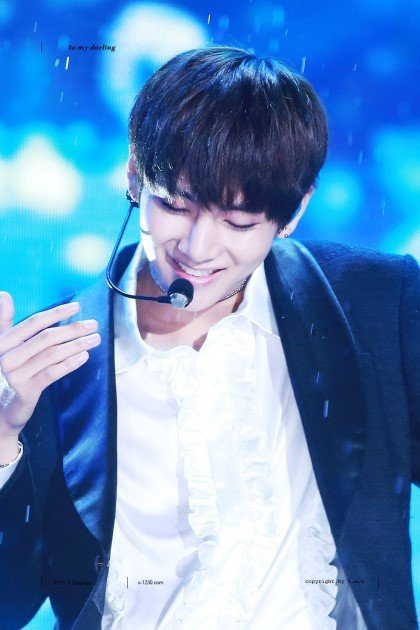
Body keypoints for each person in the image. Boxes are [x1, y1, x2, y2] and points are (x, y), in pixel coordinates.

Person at [0, 46, 418, 630]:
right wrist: (3, 436)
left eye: (238, 223)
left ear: (294, 212)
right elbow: (9, 603)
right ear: (133, 177)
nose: (197, 250)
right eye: (175, 205)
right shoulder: (49, 362)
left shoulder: (376, 305)